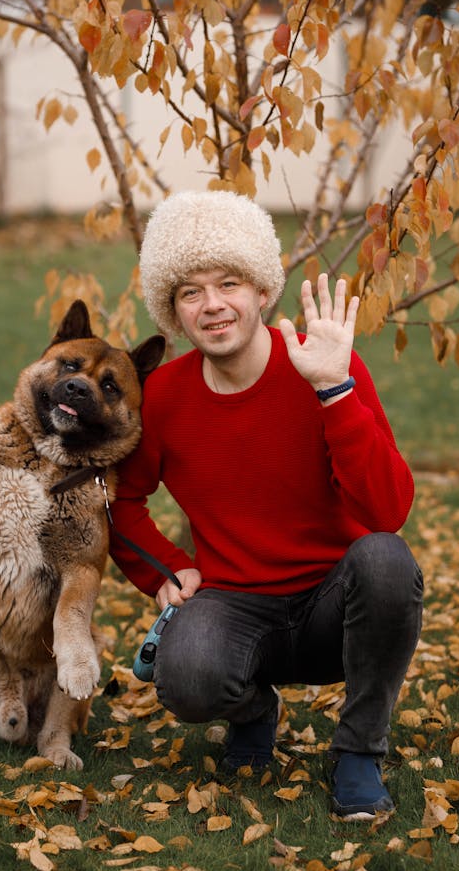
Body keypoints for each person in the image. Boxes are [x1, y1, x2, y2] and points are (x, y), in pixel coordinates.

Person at [108, 190, 423, 821]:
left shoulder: (324, 365)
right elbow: (120, 502)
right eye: (190, 291)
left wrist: (335, 390)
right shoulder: (164, 396)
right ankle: (253, 712)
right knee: (187, 677)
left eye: (229, 283)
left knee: (385, 559)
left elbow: (387, 510)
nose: (213, 304)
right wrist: (165, 568)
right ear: (173, 310)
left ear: (260, 292)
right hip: (234, 604)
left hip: (336, 605)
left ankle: (359, 751)